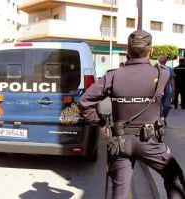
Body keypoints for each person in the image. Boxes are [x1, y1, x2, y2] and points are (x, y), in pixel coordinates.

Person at [78, 30, 185, 199]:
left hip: (120, 144)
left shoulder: (112, 75)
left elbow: (84, 102)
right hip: (151, 143)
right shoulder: (162, 73)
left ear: (127, 51)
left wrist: (102, 125)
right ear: (150, 51)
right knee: (175, 178)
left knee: (120, 193)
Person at [157, 55, 175, 125]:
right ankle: (159, 119)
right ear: (158, 59)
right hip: (158, 91)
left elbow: (172, 79)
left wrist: (173, 90)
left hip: (168, 91)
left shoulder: (169, 69)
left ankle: (163, 118)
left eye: (165, 59)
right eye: (161, 58)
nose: (163, 59)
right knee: (157, 107)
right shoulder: (155, 68)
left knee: (167, 106)